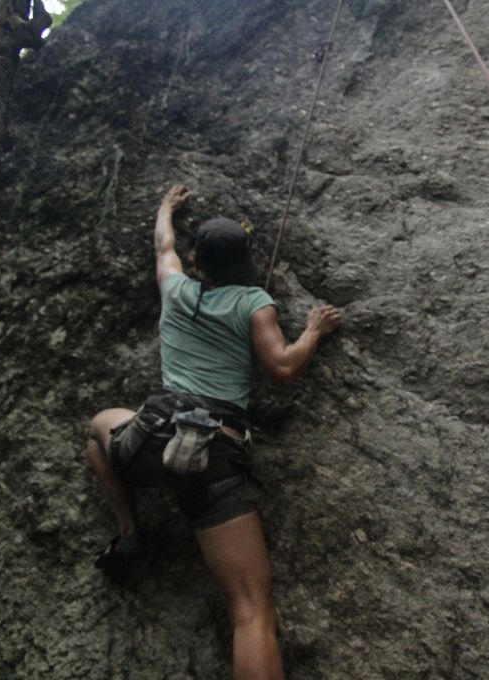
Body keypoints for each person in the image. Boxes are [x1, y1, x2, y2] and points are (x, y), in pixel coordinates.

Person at [85, 183, 342, 680]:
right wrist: (313, 330)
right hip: (212, 458)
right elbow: (283, 369)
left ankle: (131, 531)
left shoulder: (176, 287)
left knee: (100, 428)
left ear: (199, 261)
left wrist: (164, 207)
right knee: (250, 609)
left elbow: (163, 247)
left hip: (150, 437)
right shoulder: (252, 302)